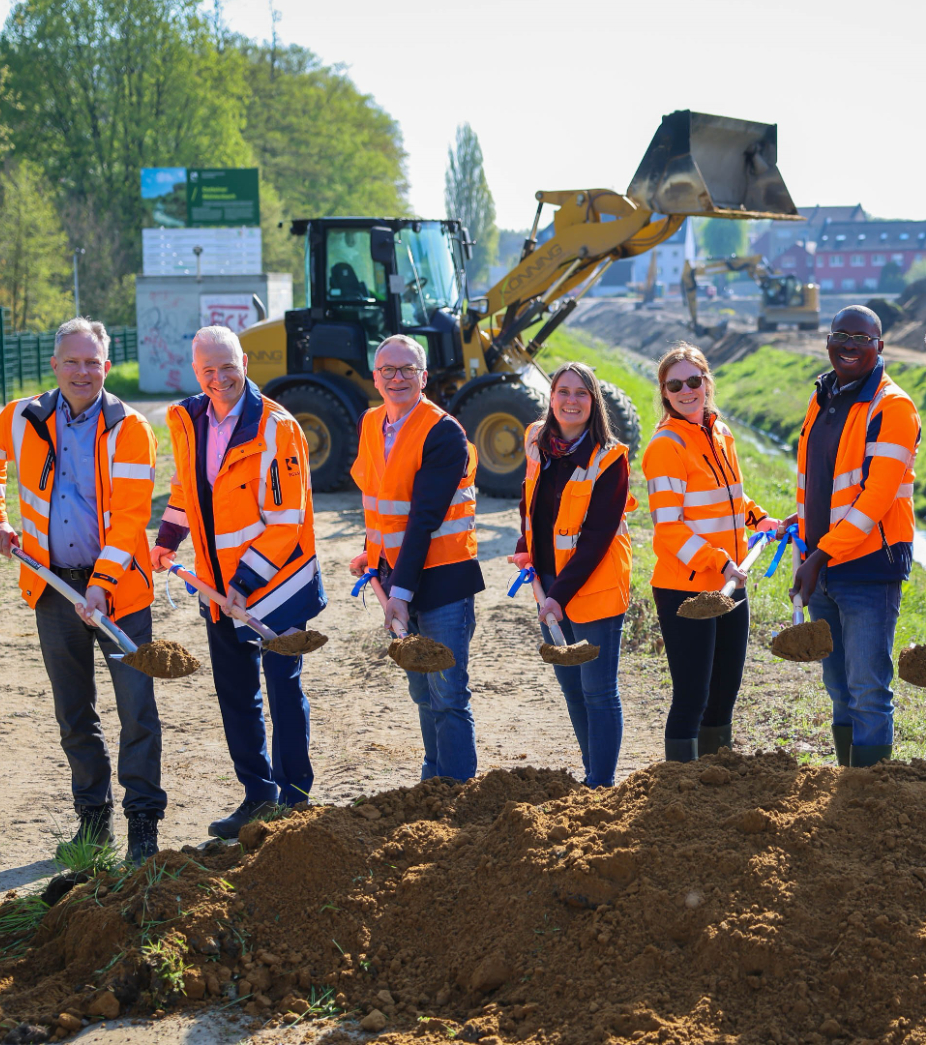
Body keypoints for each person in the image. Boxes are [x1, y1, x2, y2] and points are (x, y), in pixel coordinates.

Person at [0, 317, 165, 862]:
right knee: (74, 713)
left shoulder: (130, 428)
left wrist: (101, 586)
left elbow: (130, 520)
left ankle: (143, 824)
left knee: (137, 711)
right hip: (53, 587)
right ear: (55, 365)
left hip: (119, 595)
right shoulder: (23, 417)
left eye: (93, 363)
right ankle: (93, 823)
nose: (83, 372)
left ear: (107, 366)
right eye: (73, 362)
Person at [150, 325, 325, 838]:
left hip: (278, 584)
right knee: (236, 694)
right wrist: (168, 539)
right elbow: (185, 488)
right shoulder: (188, 420)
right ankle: (257, 796)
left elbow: (287, 520)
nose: (219, 378)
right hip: (218, 589)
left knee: (283, 690)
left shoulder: (277, 427)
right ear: (195, 371)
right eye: (208, 370)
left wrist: (244, 582)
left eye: (227, 366)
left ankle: (295, 802)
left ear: (244, 363)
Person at [786, 306, 920, 768]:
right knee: (839, 687)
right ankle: (848, 785)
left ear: (880, 347)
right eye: (840, 335)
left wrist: (819, 556)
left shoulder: (893, 407)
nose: (849, 345)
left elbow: (876, 497)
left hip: (868, 568)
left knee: (867, 690)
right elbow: (823, 476)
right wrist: (806, 526)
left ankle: (869, 793)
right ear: (827, 341)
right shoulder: (823, 394)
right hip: (823, 562)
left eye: (862, 339)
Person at [349, 334, 484, 781]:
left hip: (442, 581)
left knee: (447, 694)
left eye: (408, 369)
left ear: (424, 377)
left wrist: (400, 594)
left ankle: (457, 791)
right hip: (395, 575)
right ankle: (433, 779)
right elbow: (381, 501)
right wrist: (372, 554)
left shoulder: (443, 432)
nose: (397, 378)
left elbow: (424, 517)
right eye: (388, 369)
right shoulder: (371, 423)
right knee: (422, 692)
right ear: (375, 377)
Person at [643, 343, 781, 761]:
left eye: (693, 380)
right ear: (665, 393)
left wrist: (759, 520)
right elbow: (669, 528)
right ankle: (681, 786)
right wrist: (720, 561)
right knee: (692, 696)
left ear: (706, 382)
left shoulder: (721, 434)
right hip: (687, 589)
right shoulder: (665, 447)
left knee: (723, 694)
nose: (686, 390)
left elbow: (731, 498)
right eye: (675, 385)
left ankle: (716, 781)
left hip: (730, 584)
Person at [509, 362, 635, 787]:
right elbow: (529, 499)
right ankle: (590, 773)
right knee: (571, 686)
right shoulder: (536, 440)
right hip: (547, 583)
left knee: (598, 691)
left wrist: (557, 596)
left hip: (594, 586)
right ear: (550, 397)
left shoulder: (609, 458)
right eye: (563, 391)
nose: (571, 401)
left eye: (582, 393)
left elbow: (597, 537)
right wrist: (524, 544)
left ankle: (602, 784)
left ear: (594, 402)